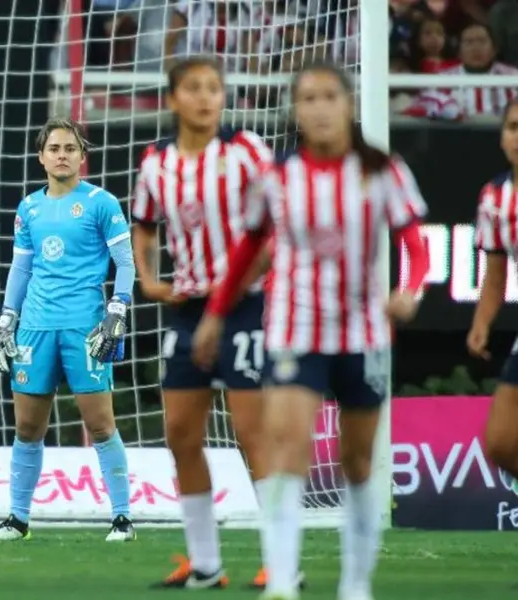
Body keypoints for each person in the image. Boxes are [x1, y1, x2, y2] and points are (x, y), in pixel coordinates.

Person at [192, 62, 430, 600]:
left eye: (329, 96)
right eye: (308, 98)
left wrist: (409, 291)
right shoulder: (277, 178)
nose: (320, 108)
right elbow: (247, 251)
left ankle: (354, 584)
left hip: (363, 333)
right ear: (296, 111)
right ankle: (281, 581)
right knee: (286, 448)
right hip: (294, 328)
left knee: (359, 462)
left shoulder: (383, 172)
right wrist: (216, 313)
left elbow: (415, 243)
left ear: (348, 104)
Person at [129, 56, 281, 590]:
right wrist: (146, 279)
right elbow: (144, 225)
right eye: (194, 88)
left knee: (251, 433)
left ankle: (280, 559)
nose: (205, 98)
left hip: (245, 303)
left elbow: (275, 224)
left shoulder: (246, 151)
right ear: (173, 99)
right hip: (188, 307)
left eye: (214, 88)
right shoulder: (156, 163)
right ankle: (205, 564)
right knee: (179, 434)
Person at [0, 117, 136, 543]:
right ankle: (17, 519)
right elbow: (22, 266)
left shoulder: (102, 203)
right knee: (28, 427)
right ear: (41, 157)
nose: (62, 155)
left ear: (82, 157)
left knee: (100, 424)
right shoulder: (28, 207)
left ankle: (122, 518)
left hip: (84, 326)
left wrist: (117, 310)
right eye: (54, 148)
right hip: (34, 327)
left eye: (70, 148)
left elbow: (125, 263)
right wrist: (7, 317)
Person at [468, 98, 518, 507]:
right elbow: (496, 275)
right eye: (513, 127)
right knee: (501, 442)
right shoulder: (495, 198)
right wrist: (482, 322)